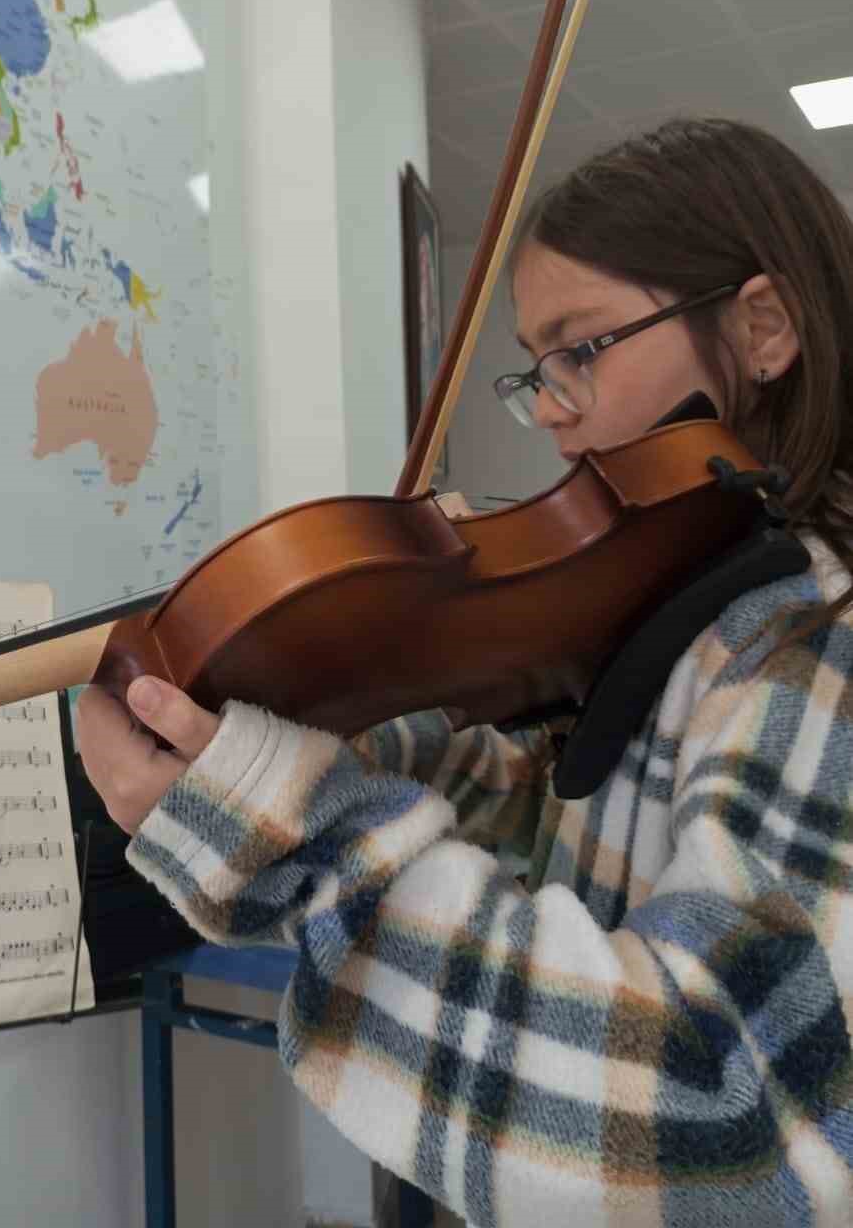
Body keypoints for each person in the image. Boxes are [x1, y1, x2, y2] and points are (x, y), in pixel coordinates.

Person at [78, 117, 853, 1226]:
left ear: (762, 325)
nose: (547, 407)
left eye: (581, 349)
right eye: (535, 368)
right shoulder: (698, 611)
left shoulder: (810, 636)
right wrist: (331, 731)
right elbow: (566, 812)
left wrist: (305, 840)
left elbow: (715, 1124)